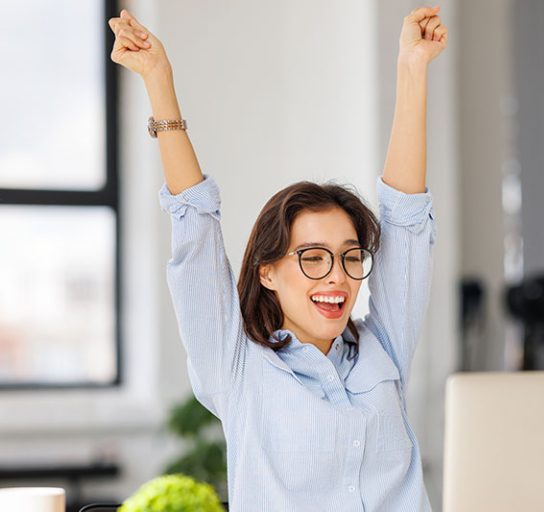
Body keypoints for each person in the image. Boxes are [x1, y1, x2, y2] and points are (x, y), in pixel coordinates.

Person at [108, 6, 447, 511]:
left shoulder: (383, 348)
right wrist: (159, 79)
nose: (337, 277)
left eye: (351, 257)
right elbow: (195, 225)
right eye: (313, 257)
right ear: (267, 270)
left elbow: (405, 218)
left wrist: (412, 67)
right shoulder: (238, 365)